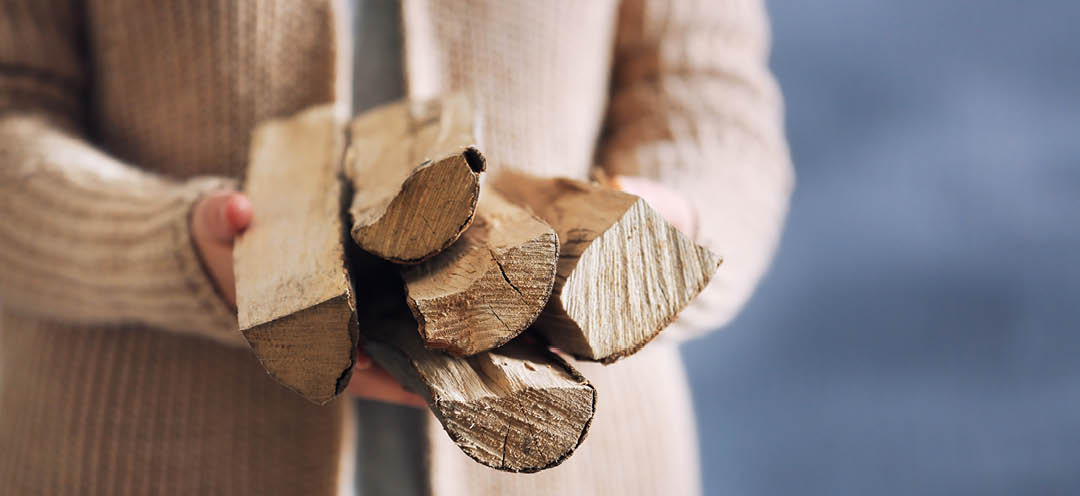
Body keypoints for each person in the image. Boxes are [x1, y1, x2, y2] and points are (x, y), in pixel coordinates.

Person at [0, 0, 792, 494]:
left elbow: (709, 100)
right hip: (134, 452)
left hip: (578, 455)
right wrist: (176, 252)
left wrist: (664, 234)